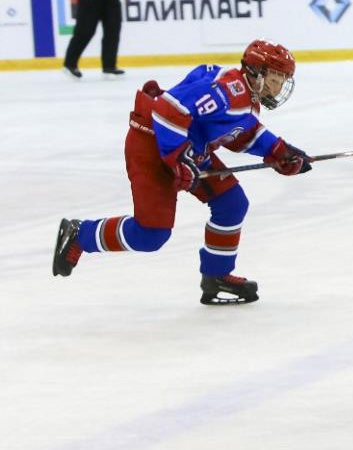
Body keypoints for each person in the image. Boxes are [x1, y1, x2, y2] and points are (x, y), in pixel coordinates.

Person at [52, 40, 313, 305]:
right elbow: (168, 110)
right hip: (152, 146)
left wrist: (279, 151)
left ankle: (216, 275)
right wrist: (178, 159)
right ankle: (80, 234)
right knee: (151, 235)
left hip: (185, 149)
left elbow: (237, 134)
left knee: (231, 202)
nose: (278, 87)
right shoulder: (229, 92)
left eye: (282, 80)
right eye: (275, 78)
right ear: (256, 71)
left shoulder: (244, 97)